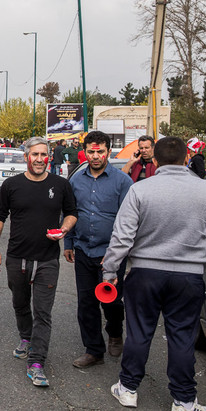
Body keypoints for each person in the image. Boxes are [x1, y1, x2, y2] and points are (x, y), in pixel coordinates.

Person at [103, 136, 206, 410]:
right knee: (182, 336)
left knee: (140, 332)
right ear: (187, 157)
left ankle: (128, 388)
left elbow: (122, 236)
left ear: (154, 159)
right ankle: (184, 399)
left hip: (145, 273)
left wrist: (109, 271)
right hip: (189, 275)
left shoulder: (141, 190)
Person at [0, 136, 77, 387]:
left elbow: (71, 213)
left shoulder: (60, 185)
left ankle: (36, 362)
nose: (39, 159)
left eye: (43, 155)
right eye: (34, 155)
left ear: (49, 157)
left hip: (48, 259)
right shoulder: (12, 185)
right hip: (17, 257)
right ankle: (26, 337)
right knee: (20, 303)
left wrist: (64, 230)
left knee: (43, 313)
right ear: (26, 157)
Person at [64, 131, 133, 369]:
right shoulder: (76, 180)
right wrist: (68, 242)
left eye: (100, 151)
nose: (95, 156)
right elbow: (70, 212)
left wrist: (119, 252)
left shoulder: (123, 182)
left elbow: (130, 220)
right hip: (83, 249)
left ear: (108, 152)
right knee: (86, 303)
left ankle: (115, 333)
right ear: (85, 151)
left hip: (112, 254)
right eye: (91, 151)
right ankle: (94, 350)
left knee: (112, 302)